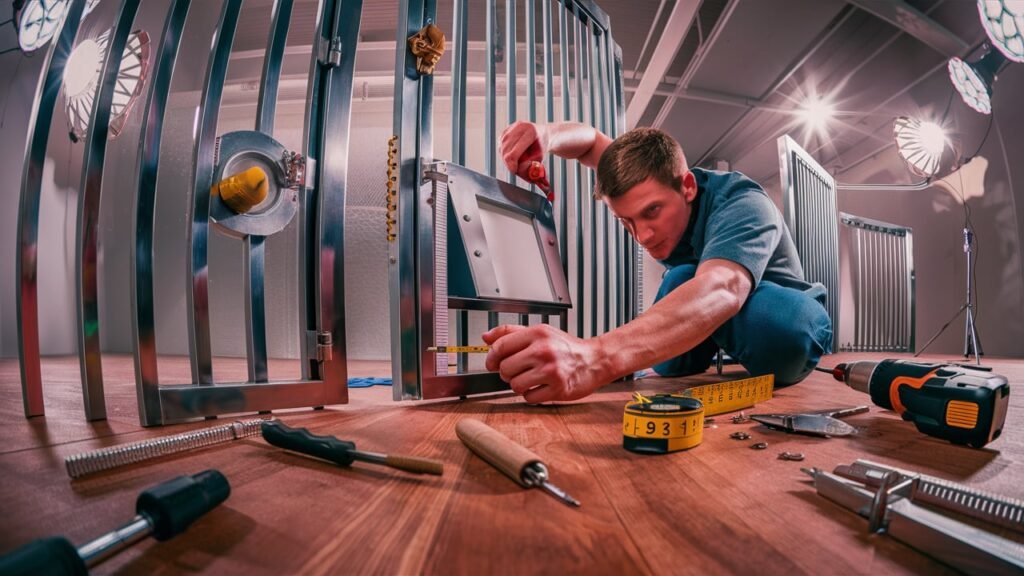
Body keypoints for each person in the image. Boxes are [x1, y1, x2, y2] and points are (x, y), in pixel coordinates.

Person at [482, 121, 832, 404]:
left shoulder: (743, 202)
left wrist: (593, 357)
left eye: (652, 212)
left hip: (776, 319)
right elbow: (591, 144)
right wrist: (546, 135)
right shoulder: (646, 177)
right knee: (680, 286)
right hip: (706, 299)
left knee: (790, 330)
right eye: (626, 221)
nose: (643, 236)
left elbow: (723, 288)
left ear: (688, 187)